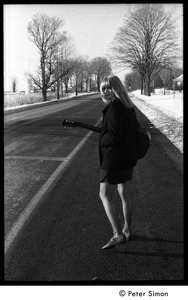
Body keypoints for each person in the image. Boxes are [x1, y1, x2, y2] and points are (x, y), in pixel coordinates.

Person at [99, 75, 139, 250]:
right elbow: (132, 131)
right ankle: (127, 229)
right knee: (123, 192)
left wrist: (102, 139)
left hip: (113, 158)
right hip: (127, 157)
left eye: (109, 87)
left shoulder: (114, 106)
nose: (107, 91)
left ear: (116, 88)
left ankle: (117, 234)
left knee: (104, 194)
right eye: (104, 88)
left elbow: (114, 135)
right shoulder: (128, 106)